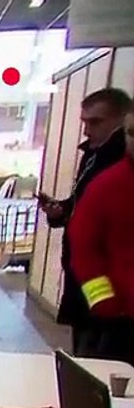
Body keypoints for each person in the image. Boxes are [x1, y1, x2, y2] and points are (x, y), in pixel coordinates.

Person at [37, 88, 131, 355]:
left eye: (96, 122)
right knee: (87, 351)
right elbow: (86, 210)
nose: (88, 130)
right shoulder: (95, 157)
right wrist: (62, 210)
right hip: (88, 281)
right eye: (85, 122)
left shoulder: (113, 162)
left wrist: (106, 301)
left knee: (101, 358)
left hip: (112, 288)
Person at [65, 104, 134, 366]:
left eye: (95, 122)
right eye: (131, 133)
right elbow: (83, 247)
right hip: (119, 323)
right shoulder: (107, 186)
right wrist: (104, 303)